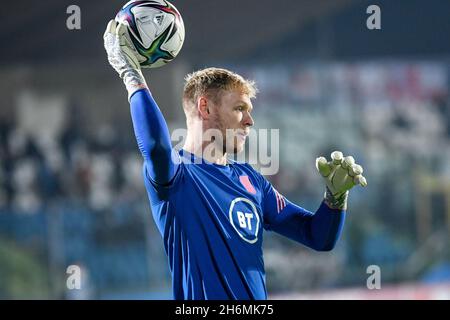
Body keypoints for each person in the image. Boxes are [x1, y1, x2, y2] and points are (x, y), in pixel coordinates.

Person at [103, 20, 367, 300]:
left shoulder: (251, 181)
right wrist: (131, 75)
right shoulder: (177, 174)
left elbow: (319, 237)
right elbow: (156, 146)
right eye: (240, 109)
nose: (250, 121)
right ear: (205, 107)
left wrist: (335, 198)